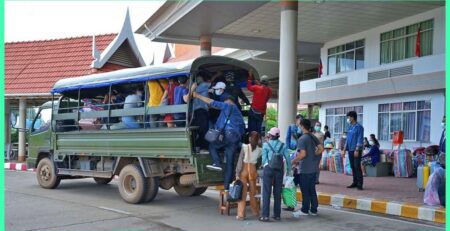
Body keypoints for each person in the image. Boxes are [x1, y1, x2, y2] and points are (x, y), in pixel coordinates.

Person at [191, 88, 245, 192]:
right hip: (234, 140)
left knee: (212, 146)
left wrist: (198, 96)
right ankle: (226, 188)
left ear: (228, 101)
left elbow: (212, 103)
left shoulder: (228, 105)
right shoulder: (237, 112)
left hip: (227, 136)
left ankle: (217, 163)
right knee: (229, 164)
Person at [292, 119, 324, 217]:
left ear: (302, 126)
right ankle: (313, 209)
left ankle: (305, 210)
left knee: (305, 190)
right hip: (313, 168)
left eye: (299, 126)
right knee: (312, 189)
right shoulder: (313, 136)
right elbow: (321, 149)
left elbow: (302, 154)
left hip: (305, 168)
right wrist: (314, 155)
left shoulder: (302, 139)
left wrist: (293, 161)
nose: (298, 127)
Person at [260, 127, 291, 222]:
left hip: (268, 169)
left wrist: (265, 166)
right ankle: (277, 215)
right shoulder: (283, 145)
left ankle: (265, 216)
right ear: (278, 136)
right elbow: (288, 158)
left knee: (266, 192)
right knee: (277, 193)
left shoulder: (266, 145)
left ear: (270, 135)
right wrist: (289, 169)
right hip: (279, 170)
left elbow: (263, 159)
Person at [235, 131, 262, 220]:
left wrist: (237, 173)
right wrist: (254, 167)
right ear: (258, 140)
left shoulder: (244, 147)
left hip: (244, 170)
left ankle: (241, 215)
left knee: (242, 193)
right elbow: (259, 162)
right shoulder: (259, 150)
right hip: (253, 170)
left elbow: (240, 161)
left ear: (250, 138)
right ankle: (255, 212)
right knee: (253, 193)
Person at [342, 111, 364, 190]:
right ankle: (354, 182)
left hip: (356, 150)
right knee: (352, 166)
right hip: (350, 150)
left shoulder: (359, 127)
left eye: (349, 117)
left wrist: (357, 149)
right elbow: (347, 139)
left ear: (352, 117)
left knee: (357, 166)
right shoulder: (350, 127)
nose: (348, 119)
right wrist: (344, 149)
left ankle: (360, 183)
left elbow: (360, 139)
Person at [189, 71, 211, 151]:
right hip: (198, 111)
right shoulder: (200, 86)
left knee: (203, 130)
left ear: (202, 78)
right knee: (198, 130)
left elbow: (191, 93)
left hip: (201, 110)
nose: (197, 79)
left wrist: (191, 87)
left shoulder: (204, 85)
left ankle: (204, 147)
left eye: (198, 77)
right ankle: (200, 147)